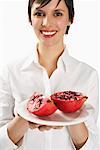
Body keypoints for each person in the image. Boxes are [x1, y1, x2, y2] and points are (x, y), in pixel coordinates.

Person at [0, 0, 99, 149]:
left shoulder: (88, 75)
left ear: (71, 18)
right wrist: (25, 118)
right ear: (29, 18)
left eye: (57, 14)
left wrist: (74, 116)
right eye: (39, 14)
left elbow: (93, 146)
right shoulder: (10, 72)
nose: (47, 23)